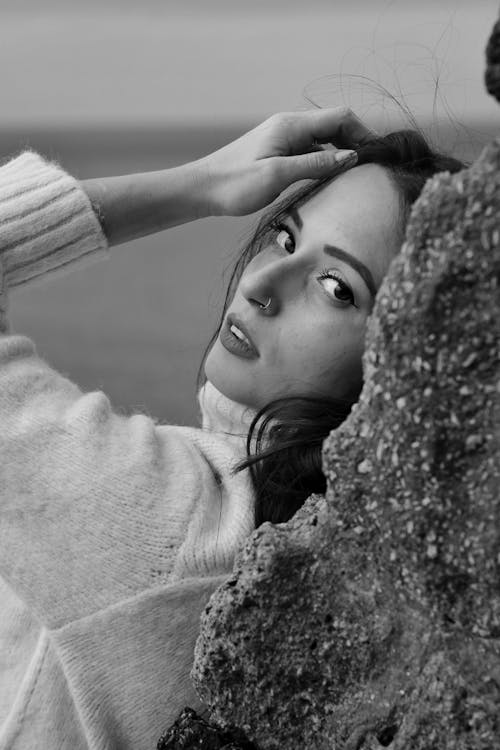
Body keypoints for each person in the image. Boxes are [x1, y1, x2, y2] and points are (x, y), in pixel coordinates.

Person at [0, 107, 465, 750]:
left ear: (403, 366)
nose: (264, 286)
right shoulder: (295, 547)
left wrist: (202, 183)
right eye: (283, 236)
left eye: (336, 287)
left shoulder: (179, 523)